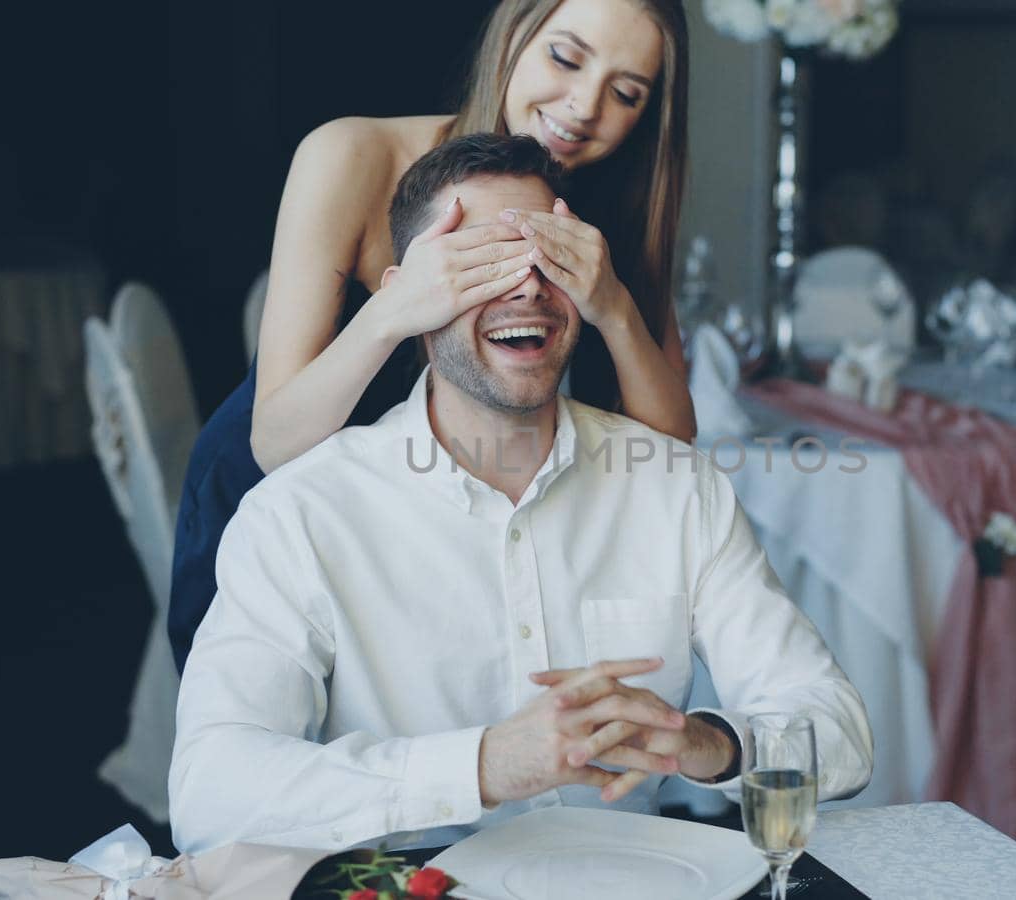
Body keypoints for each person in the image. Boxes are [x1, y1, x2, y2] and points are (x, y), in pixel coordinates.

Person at [168, 133, 872, 854]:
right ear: (406, 298)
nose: (527, 286)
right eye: (480, 263)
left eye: (549, 257)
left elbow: (840, 731)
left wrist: (705, 743)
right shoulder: (304, 511)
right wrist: (481, 765)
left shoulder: (676, 488)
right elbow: (209, 794)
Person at [169, 0, 697, 671]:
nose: (585, 106)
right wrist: (398, 310)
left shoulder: (614, 206)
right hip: (279, 525)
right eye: (565, 57)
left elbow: (672, 448)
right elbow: (274, 443)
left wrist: (612, 305)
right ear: (512, 37)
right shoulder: (353, 155)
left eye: (627, 93)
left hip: (443, 559)